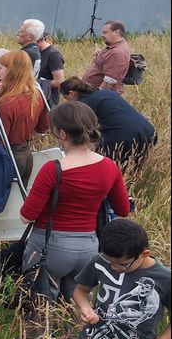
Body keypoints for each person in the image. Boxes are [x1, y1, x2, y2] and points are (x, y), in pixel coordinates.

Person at [20, 101, 130, 302]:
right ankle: (75, 335)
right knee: (77, 308)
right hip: (88, 247)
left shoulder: (53, 169)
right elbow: (123, 209)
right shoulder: (109, 167)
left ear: (62, 135)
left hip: (50, 246)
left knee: (39, 308)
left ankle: (38, 334)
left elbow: (27, 216)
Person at [59, 77, 157, 169]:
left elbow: (82, 132)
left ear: (72, 93)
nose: (69, 102)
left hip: (125, 136)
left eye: (67, 98)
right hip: (148, 131)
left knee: (112, 169)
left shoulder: (84, 105)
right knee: (136, 169)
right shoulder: (107, 93)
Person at [0, 49, 50, 184]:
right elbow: (43, 127)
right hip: (26, 154)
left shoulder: (6, 102)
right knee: (19, 201)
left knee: (3, 203)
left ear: (11, 72)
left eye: (1, 68)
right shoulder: (35, 95)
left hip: (9, 157)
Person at [83, 20, 132, 93]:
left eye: (105, 32)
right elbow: (108, 61)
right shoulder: (115, 47)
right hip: (94, 91)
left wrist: (98, 96)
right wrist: (100, 54)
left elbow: (110, 80)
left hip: (100, 94)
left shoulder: (118, 52)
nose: (102, 35)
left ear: (116, 32)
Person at [37, 32, 66, 107]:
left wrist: (36, 82)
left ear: (38, 40)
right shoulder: (36, 52)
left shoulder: (53, 55)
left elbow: (59, 81)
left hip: (49, 101)